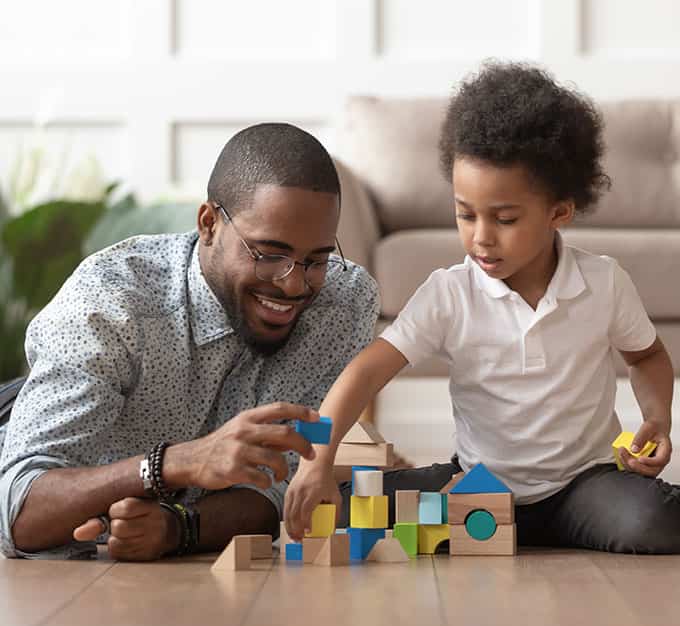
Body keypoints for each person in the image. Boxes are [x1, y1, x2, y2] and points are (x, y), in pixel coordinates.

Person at [285, 62, 680, 553]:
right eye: (465, 214)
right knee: (340, 504)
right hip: (477, 485)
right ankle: (476, 521)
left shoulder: (603, 282)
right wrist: (316, 462)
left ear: (560, 211)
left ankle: (524, 529)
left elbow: (646, 356)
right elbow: (364, 373)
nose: (480, 237)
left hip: (584, 486)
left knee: (653, 523)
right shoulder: (449, 293)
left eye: (505, 218)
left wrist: (657, 419)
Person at [0, 123, 381, 560]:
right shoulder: (111, 300)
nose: (294, 285)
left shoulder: (343, 304)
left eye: (315, 260)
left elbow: (283, 488)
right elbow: (19, 513)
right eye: (269, 255)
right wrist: (172, 465)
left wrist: (180, 527)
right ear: (208, 224)